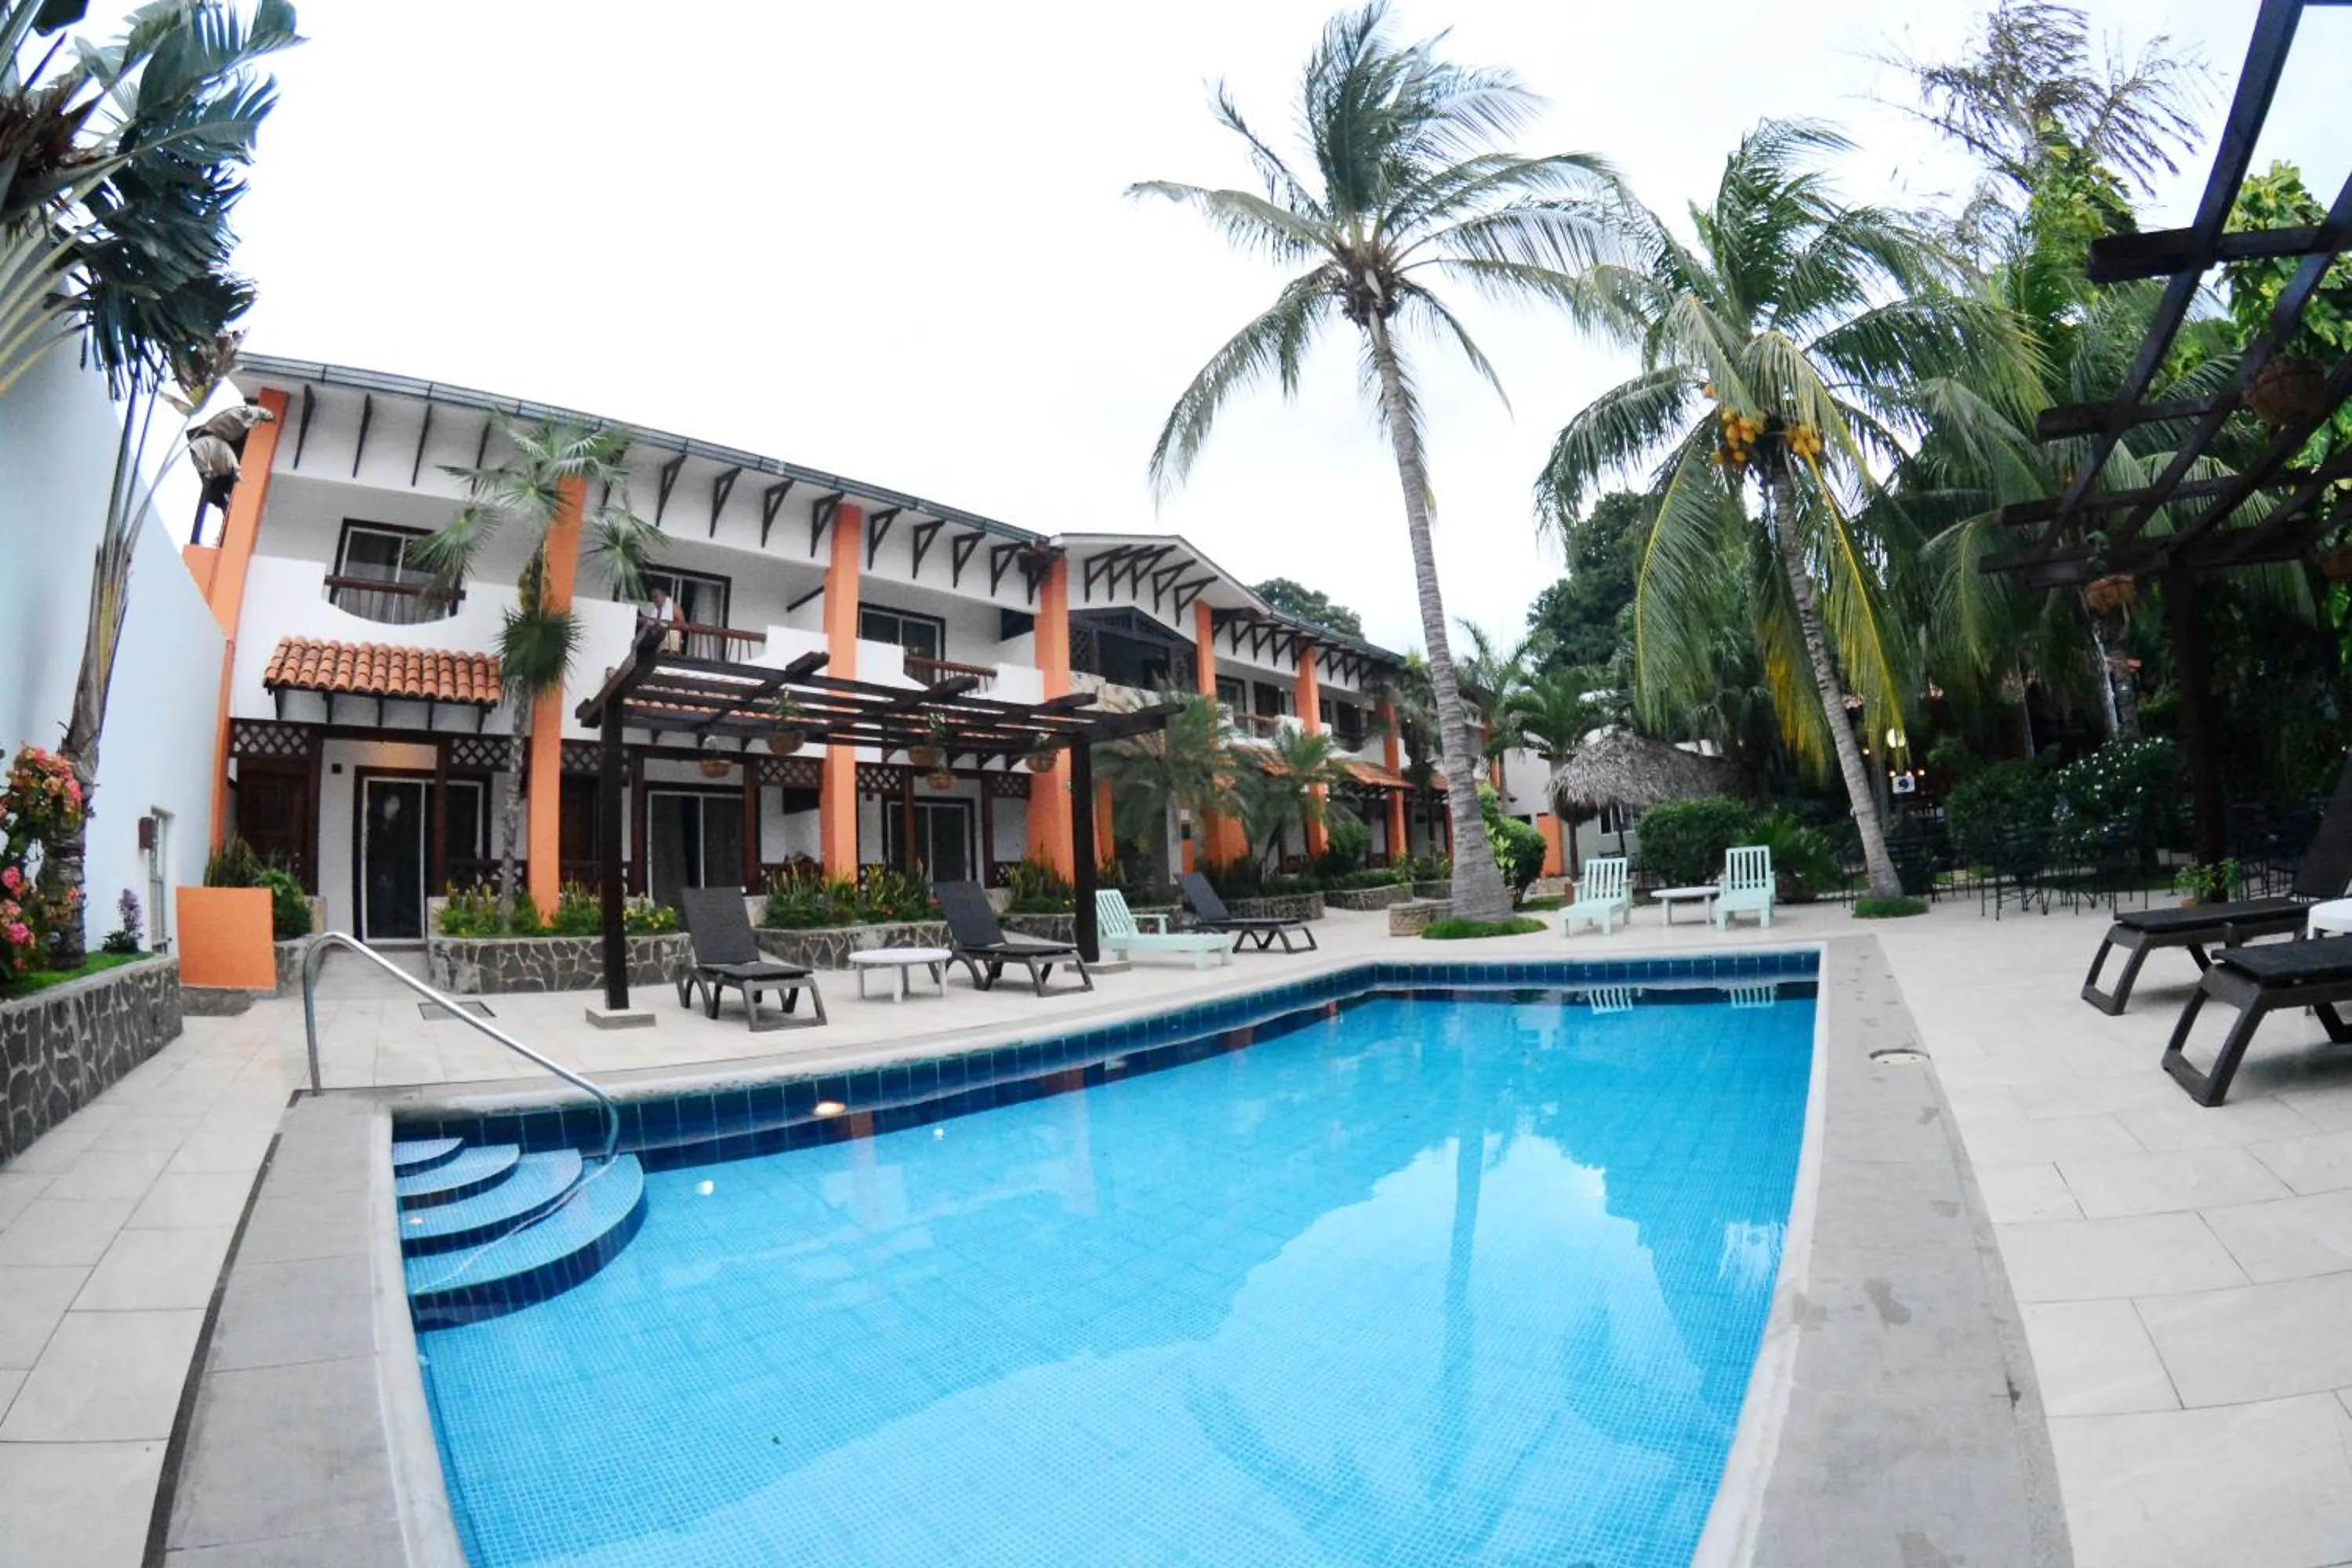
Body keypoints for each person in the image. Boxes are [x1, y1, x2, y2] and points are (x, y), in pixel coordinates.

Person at [649, 583, 682, 652]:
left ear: (663, 595)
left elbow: (683, 625)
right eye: (652, 597)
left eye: (656, 597)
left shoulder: (674, 607)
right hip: (656, 646)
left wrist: (668, 626)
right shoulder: (655, 610)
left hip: (670, 646)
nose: (654, 600)